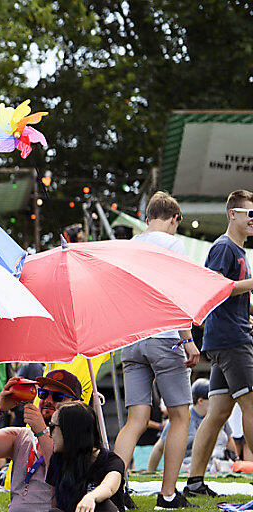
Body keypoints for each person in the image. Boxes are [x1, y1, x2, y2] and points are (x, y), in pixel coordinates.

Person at [105, 191, 197, 508]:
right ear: (173, 219)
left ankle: (115, 490)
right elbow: (177, 294)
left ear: (146, 218)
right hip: (165, 337)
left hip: (133, 339)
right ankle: (168, 495)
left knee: (136, 420)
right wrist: (187, 339)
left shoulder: (131, 246)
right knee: (181, 416)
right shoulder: (173, 244)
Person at [185, 189, 253, 498]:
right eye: (250, 214)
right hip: (231, 340)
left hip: (228, 338)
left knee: (217, 414)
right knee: (251, 406)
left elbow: (231, 294)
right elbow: (212, 290)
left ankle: (195, 483)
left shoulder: (238, 251)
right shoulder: (224, 247)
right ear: (233, 214)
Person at [0, 369, 83, 512]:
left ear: (75, 404)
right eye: (43, 393)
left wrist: (41, 432)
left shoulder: (80, 440)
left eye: (58, 396)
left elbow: (60, 474)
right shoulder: (21, 436)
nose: (48, 400)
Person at [45, 403, 126, 512]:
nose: (50, 434)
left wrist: (91, 497)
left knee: (104, 505)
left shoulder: (110, 461)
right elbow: (55, 502)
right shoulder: (58, 459)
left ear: (70, 431)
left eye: (53, 427)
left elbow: (109, 487)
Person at [150, 379, 233, 470]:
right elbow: (159, 447)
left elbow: (229, 440)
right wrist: (151, 471)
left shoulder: (218, 415)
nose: (216, 402)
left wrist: (235, 461)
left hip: (220, 463)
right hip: (190, 465)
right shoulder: (182, 417)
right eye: (212, 398)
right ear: (200, 401)